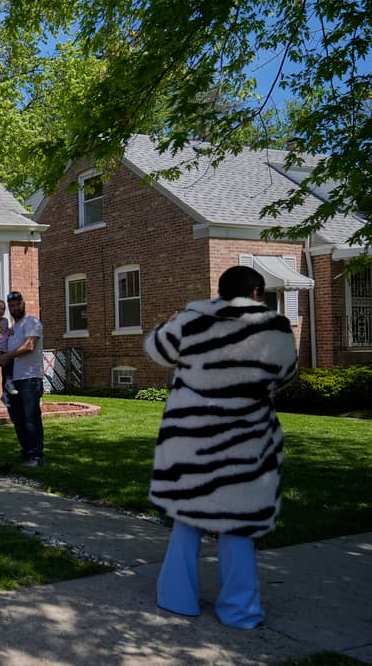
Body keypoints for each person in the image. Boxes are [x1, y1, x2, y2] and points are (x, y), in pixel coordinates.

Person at [144, 265, 297, 629]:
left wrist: (167, 324)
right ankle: (240, 611)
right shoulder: (274, 327)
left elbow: (156, 351)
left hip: (191, 436)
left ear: (221, 290)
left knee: (187, 517)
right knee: (239, 524)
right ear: (258, 292)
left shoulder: (194, 319)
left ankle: (176, 598)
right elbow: (285, 374)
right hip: (246, 438)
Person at [0, 291, 45, 467]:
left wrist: (7, 357)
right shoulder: (11, 329)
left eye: (17, 304)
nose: (15, 307)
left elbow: (29, 345)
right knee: (17, 418)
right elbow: (2, 349)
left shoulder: (32, 322)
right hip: (12, 379)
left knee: (31, 418)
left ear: (23, 303)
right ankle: (27, 451)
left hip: (29, 377)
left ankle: (37, 456)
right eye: (12, 305)